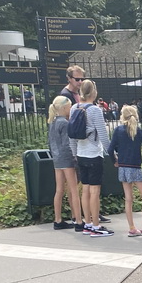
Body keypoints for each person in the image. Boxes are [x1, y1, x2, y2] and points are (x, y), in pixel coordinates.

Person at [68, 79, 113, 236]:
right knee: (95, 191)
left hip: (81, 154)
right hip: (94, 154)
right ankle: (96, 226)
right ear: (94, 92)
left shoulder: (74, 108)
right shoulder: (95, 110)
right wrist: (112, 155)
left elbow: (71, 136)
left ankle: (86, 223)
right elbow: (103, 135)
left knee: (85, 190)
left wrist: (75, 153)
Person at [108, 104, 142, 237]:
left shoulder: (118, 130)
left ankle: (132, 228)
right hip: (135, 167)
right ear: (135, 115)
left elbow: (110, 149)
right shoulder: (138, 130)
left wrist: (115, 162)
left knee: (128, 199)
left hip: (123, 167)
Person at [47, 95, 83, 231]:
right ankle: (78, 220)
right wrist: (75, 158)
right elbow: (68, 144)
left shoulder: (52, 122)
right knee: (73, 190)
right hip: (67, 159)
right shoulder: (65, 123)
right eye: (69, 106)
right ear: (64, 108)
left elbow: (51, 142)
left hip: (57, 159)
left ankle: (58, 219)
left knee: (59, 190)